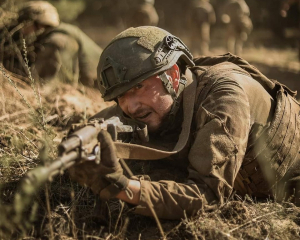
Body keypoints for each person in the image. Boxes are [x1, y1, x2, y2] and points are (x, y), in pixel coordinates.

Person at [69, 26, 300, 220]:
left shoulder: (224, 99)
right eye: (121, 96)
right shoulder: (152, 101)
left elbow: (205, 197)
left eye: (138, 87)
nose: (130, 106)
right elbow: (106, 118)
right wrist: (81, 139)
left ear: (173, 77)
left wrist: (122, 187)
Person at [0, 1, 102, 87]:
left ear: (36, 23)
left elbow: (42, 84)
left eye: (23, 23)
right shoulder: (55, 35)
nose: (21, 29)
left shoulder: (57, 42)